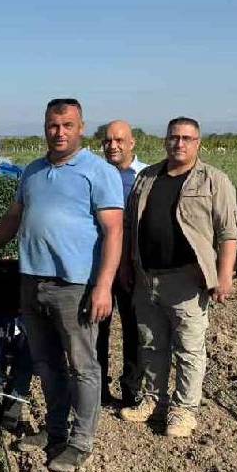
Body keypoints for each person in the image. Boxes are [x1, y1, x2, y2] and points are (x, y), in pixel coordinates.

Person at [0, 98, 122, 472]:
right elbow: (13, 217)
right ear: (45, 127)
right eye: (53, 125)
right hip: (32, 280)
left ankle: (80, 441)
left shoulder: (97, 172)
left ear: (81, 127)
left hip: (75, 285)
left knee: (83, 365)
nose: (60, 132)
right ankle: (54, 433)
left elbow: (114, 231)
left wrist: (103, 287)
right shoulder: (33, 172)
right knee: (47, 364)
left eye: (67, 125)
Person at [119, 117, 237, 438]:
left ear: (198, 143)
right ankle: (154, 402)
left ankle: (184, 410)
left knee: (188, 348)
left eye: (187, 138)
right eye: (174, 137)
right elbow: (130, 225)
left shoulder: (213, 180)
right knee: (151, 345)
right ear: (165, 141)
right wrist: (127, 265)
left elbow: (229, 232)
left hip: (187, 279)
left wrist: (224, 274)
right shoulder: (146, 177)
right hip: (147, 276)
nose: (180, 143)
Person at [96, 120, 149, 405]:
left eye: (118, 140)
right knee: (96, 328)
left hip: (133, 267)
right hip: (100, 265)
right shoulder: (96, 174)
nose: (112, 146)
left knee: (134, 329)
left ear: (132, 143)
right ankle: (98, 389)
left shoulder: (145, 176)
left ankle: (132, 390)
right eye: (107, 141)